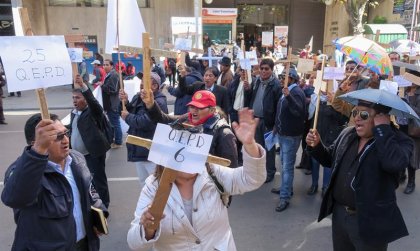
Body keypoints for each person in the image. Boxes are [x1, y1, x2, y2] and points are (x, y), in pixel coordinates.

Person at [127, 108, 266, 251]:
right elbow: (134, 243)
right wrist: (147, 229)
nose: (188, 157)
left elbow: (252, 178)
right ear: (168, 154)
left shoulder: (213, 173)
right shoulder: (152, 187)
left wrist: (250, 145)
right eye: (182, 150)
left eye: (194, 148)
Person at [306, 100, 413, 251]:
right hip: (340, 216)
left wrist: (382, 130)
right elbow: (330, 158)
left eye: (364, 114)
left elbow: (394, 163)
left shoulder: (400, 141)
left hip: (372, 222)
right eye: (355, 112)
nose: (356, 118)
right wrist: (317, 146)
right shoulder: (347, 133)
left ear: (380, 118)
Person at [1, 113, 108, 251]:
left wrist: (100, 214)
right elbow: (14, 198)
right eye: (57, 137)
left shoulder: (76, 159)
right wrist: (37, 153)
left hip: (84, 245)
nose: (65, 140)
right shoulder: (22, 171)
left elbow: (91, 193)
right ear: (36, 143)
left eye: (66, 133)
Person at [142, 89, 238, 168]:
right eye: (192, 106)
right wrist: (151, 104)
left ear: (212, 110)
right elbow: (164, 119)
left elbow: (230, 171)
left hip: (209, 188)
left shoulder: (224, 134)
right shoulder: (187, 118)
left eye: (199, 108)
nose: (194, 111)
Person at [119, 72, 168, 189]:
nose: (141, 84)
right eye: (141, 81)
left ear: (155, 86)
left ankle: (159, 207)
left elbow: (145, 123)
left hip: (151, 151)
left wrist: (127, 117)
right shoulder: (138, 97)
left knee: (156, 185)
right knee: (144, 184)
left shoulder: (159, 102)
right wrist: (125, 102)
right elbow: (129, 111)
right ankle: (147, 206)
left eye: (145, 81)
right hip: (138, 149)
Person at [69, 75, 111, 208]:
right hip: (79, 156)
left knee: (98, 181)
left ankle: (104, 206)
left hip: (93, 153)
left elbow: (94, 103)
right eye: (73, 98)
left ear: (85, 100)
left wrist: (83, 87)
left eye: (78, 98)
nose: (75, 101)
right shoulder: (74, 112)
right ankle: (90, 204)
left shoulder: (93, 111)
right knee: (84, 181)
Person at [271, 68, 307, 212]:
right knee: (283, 164)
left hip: (291, 136)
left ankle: (285, 197)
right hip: (283, 133)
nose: (280, 79)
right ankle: (287, 189)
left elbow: (299, 112)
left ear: (292, 78)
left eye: (283, 77)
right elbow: (280, 110)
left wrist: (289, 97)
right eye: (280, 77)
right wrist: (276, 126)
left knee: (287, 167)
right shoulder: (286, 90)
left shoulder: (296, 92)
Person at [244, 58, 281, 183]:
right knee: (258, 147)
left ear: (271, 70)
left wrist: (276, 125)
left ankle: (270, 172)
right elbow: (250, 99)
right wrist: (248, 90)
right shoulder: (256, 82)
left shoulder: (276, 85)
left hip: (268, 121)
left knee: (269, 149)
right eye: (262, 69)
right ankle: (260, 171)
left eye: (267, 69)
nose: (264, 71)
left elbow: (278, 106)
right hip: (255, 120)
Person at [102, 59, 123, 148]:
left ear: (112, 66)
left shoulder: (114, 75)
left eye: (107, 65)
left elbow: (113, 89)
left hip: (113, 103)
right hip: (111, 103)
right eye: (104, 65)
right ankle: (116, 139)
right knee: (113, 123)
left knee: (115, 123)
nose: (105, 66)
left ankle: (118, 142)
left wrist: (102, 85)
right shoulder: (110, 75)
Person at [404, 84, 420, 194]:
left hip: (413, 129)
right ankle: (401, 175)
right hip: (401, 127)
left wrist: (407, 104)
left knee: (412, 157)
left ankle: (411, 182)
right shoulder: (403, 90)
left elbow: (418, 112)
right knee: (400, 152)